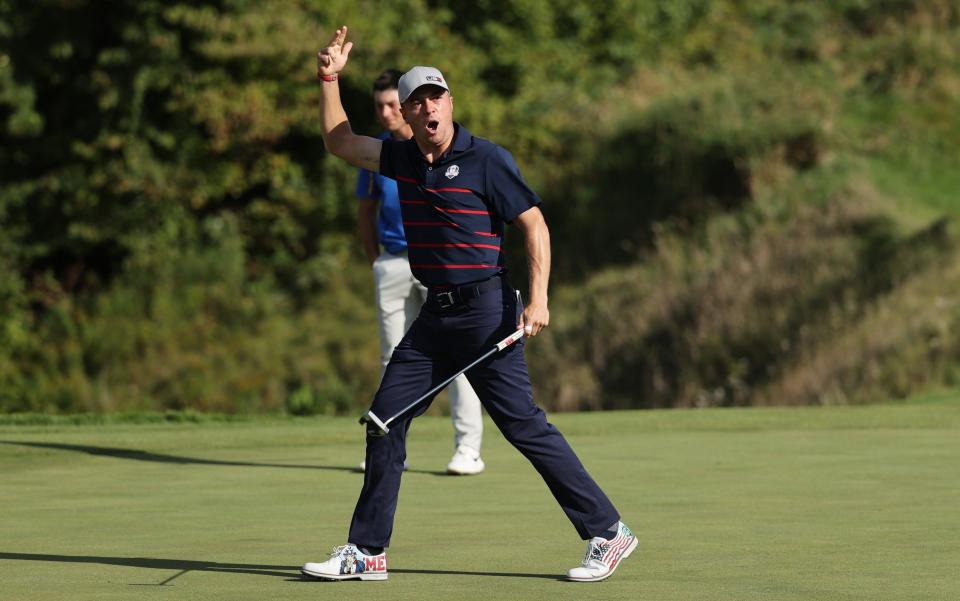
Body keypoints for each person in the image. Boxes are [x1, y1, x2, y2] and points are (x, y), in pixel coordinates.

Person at [303, 26, 636, 583]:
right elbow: (339, 141)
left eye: (437, 96)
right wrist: (329, 78)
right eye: (417, 101)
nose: (429, 107)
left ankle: (608, 531)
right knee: (384, 422)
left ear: (450, 102)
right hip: (437, 317)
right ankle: (367, 551)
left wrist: (539, 298)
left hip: (487, 313)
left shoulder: (487, 159)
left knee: (523, 427)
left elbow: (534, 225)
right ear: (406, 115)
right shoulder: (402, 160)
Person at [355, 68, 485, 476]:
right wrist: (376, 257)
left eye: (394, 103)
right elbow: (365, 209)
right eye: (380, 106)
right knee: (393, 358)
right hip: (393, 262)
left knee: (459, 355)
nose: (387, 112)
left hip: (440, 267)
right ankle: (391, 448)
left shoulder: (437, 148)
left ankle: (469, 448)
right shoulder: (377, 153)